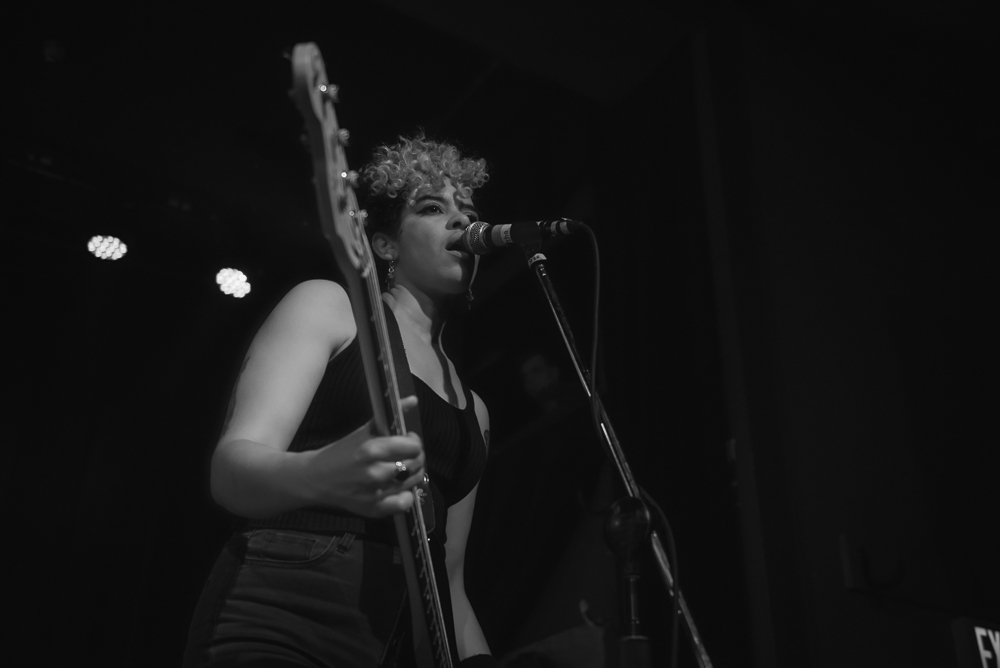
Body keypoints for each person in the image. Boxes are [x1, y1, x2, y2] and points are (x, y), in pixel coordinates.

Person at [183, 135, 496, 667]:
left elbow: (451, 578)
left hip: (398, 640)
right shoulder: (328, 306)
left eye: (467, 210)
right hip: (285, 611)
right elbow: (230, 472)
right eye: (431, 208)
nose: (462, 221)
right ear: (385, 246)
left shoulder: (475, 411)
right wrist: (323, 472)